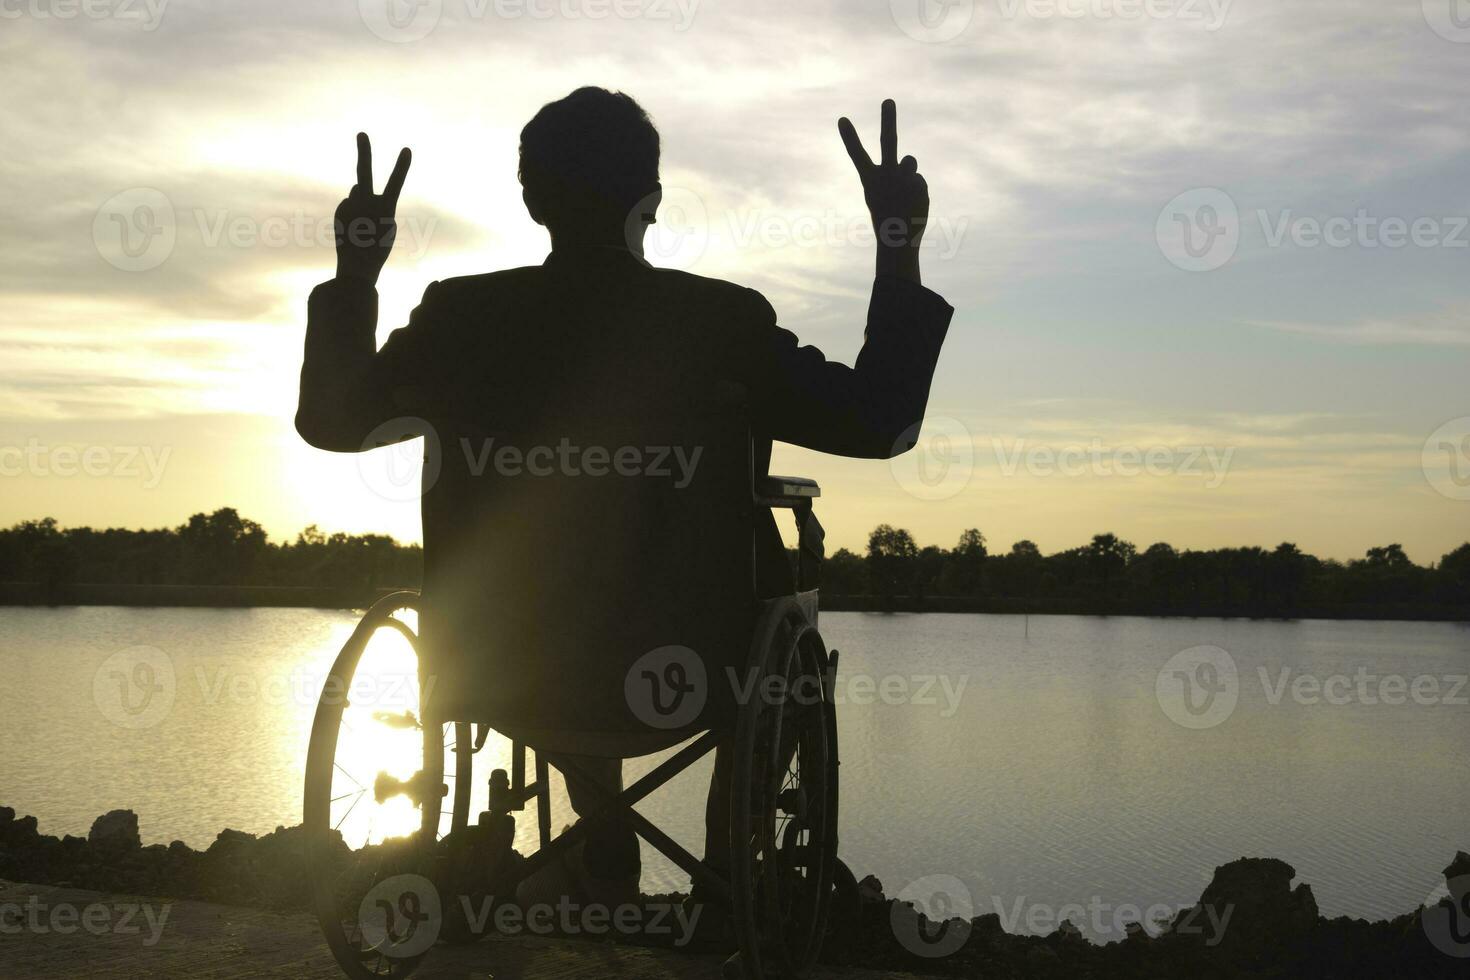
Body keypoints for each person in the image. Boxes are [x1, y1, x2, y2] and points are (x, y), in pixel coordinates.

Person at [296, 87, 952, 913]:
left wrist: (357, 272)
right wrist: (899, 246)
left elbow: (331, 420)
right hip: (693, 673)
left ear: (532, 200)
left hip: (496, 670)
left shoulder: (461, 318)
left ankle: (595, 838)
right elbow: (882, 421)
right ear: (653, 201)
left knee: (565, 573)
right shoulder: (721, 321)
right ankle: (728, 871)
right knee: (757, 589)